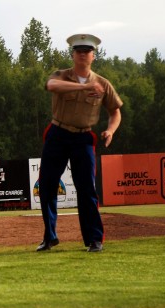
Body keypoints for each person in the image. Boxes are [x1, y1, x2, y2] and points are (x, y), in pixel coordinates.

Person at [37, 34, 123, 253]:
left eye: (87, 51)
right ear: (73, 54)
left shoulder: (103, 83)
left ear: (94, 56)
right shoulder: (61, 75)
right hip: (57, 133)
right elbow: (51, 84)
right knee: (47, 186)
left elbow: (115, 112)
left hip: (83, 137)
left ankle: (94, 239)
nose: (83, 54)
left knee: (86, 189)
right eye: (79, 51)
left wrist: (110, 130)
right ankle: (50, 237)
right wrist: (84, 88)